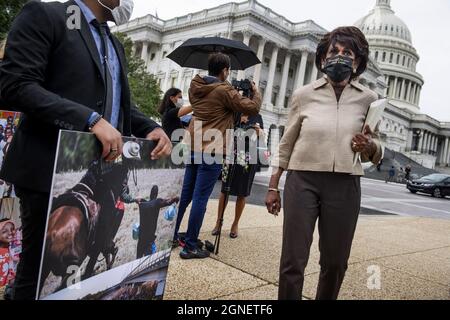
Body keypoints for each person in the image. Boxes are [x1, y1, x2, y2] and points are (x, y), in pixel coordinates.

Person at [0, 0, 171, 300]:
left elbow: (116, 107)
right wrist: (89, 119)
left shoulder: (115, 44)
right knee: (35, 272)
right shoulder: (47, 15)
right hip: (45, 166)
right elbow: (15, 84)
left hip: (102, 168)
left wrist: (150, 128)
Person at [266, 26, 383, 300]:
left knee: (335, 262)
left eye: (347, 53)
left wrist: (369, 146)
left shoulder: (369, 99)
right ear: (323, 58)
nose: (340, 57)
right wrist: (273, 185)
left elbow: (375, 149)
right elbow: (286, 143)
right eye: (334, 51)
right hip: (302, 180)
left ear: (357, 62)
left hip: (345, 184)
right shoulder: (303, 94)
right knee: (293, 260)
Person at [174, 53, 261, 259]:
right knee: (200, 198)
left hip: (194, 145)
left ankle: (171, 235)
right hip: (212, 150)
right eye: (228, 70)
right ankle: (190, 246)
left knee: (186, 195)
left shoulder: (195, 86)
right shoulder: (224, 90)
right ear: (224, 71)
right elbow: (252, 107)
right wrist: (255, 92)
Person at [212, 114, 265, 238]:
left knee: (242, 192)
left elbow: (261, 137)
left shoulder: (257, 116)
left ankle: (235, 224)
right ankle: (218, 222)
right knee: (224, 190)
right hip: (230, 156)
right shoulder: (234, 113)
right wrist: (238, 122)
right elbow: (225, 131)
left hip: (248, 158)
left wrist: (259, 132)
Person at [136, 185, 179, 258]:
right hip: (149, 238)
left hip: (141, 238)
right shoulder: (157, 202)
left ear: (150, 194)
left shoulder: (142, 204)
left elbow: (138, 199)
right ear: (156, 194)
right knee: (149, 260)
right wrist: (175, 199)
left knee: (137, 260)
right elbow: (167, 202)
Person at [0, 219, 16, 288]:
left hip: (9, 287)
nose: (10, 232)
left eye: (12, 229)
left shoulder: (12, 249)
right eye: (4, 231)